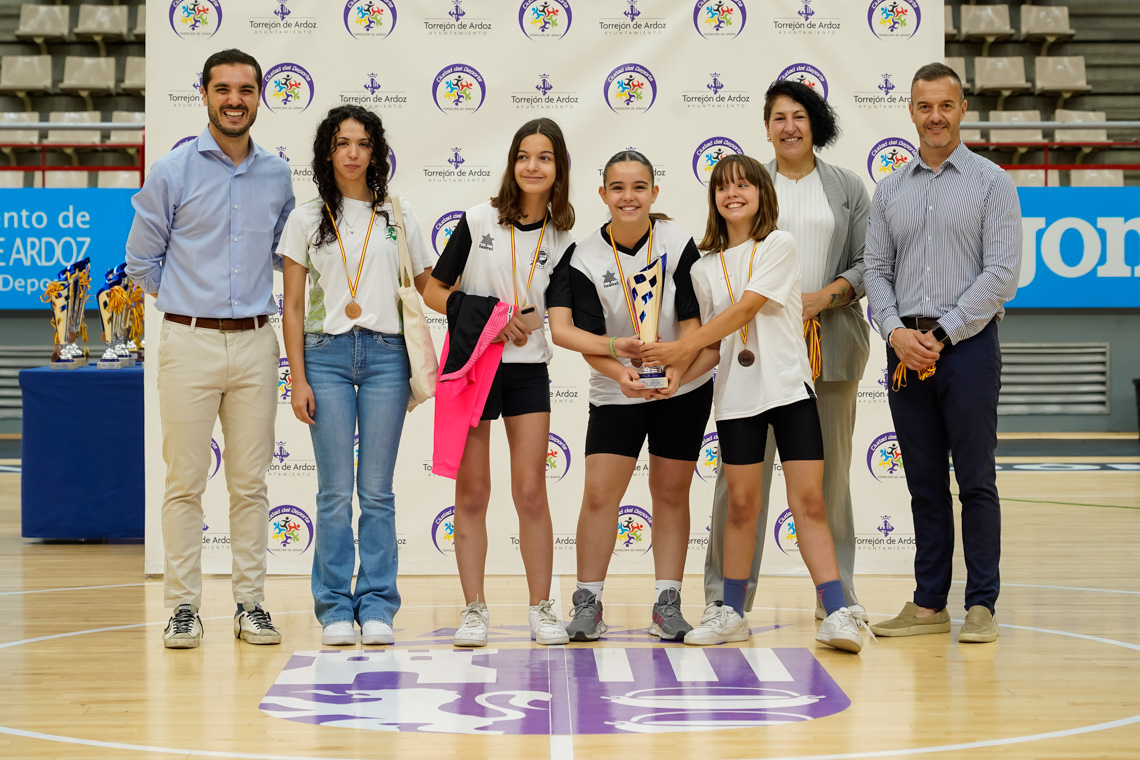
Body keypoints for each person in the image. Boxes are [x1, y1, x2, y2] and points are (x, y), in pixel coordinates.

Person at [642, 155, 868, 652]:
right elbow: (711, 349)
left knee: (809, 502)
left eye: (744, 184)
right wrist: (676, 375)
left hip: (789, 392)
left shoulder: (779, 246)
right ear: (714, 200)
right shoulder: (702, 269)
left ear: (762, 194)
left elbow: (747, 308)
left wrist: (679, 349)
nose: (733, 193)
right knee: (741, 506)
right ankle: (731, 611)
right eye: (723, 187)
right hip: (737, 401)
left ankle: (838, 613)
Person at [125, 49, 295, 649]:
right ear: (204, 93)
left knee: (251, 485)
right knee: (184, 484)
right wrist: (184, 302)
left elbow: (284, 255)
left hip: (255, 345)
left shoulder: (278, 175)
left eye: (245, 90)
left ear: (258, 97)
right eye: (223, 89)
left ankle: (251, 604)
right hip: (187, 342)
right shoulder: (171, 171)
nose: (234, 100)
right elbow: (141, 262)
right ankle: (182, 608)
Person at [703, 80, 872, 622]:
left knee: (829, 479)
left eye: (799, 116)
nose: (790, 127)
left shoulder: (846, 187)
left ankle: (837, 598)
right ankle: (724, 599)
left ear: (815, 123)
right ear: (767, 127)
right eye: (778, 117)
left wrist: (823, 297)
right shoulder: (749, 184)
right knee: (739, 484)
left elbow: (872, 264)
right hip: (754, 352)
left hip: (833, 345)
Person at [864, 62, 1021, 644]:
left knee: (975, 480)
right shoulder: (890, 189)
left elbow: (1002, 272)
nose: (935, 117)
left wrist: (944, 333)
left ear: (961, 110)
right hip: (905, 352)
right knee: (923, 483)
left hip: (968, 349)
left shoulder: (991, 182)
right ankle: (929, 605)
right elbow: (877, 271)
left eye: (946, 106)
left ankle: (981, 604)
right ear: (911, 110)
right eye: (925, 106)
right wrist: (894, 333)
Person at [278, 105, 433, 646]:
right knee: (334, 491)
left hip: (389, 357)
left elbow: (427, 286)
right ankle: (334, 608)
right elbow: (293, 308)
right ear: (327, 151)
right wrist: (297, 378)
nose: (351, 152)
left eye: (362, 143)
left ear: (375, 151)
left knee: (377, 492)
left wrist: (486, 308)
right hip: (325, 356)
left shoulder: (397, 213)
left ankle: (377, 606)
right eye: (341, 142)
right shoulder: (305, 219)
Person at [547, 150, 713, 642]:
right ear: (602, 195)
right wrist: (623, 374)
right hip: (617, 388)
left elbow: (693, 325)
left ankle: (667, 602)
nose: (628, 197)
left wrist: (675, 373)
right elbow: (588, 340)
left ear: (654, 193)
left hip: (682, 385)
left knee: (669, 491)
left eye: (639, 187)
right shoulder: (582, 257)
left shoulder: (679, 243)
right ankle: (588, 602)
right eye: (617, 188)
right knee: (600, 493)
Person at [423, 118, 576, 648]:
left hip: (528, 370)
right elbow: (435, 291)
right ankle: (474, 609)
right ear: (513, 164)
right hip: (473, 367)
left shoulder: (565, 238)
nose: (533, 166)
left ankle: (542, 608)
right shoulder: (479, 219)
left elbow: (560, 315)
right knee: (473, 491)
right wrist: (488, 316)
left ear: (559, 169)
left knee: (531, 491)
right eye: (523, 156)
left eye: (545, 157)